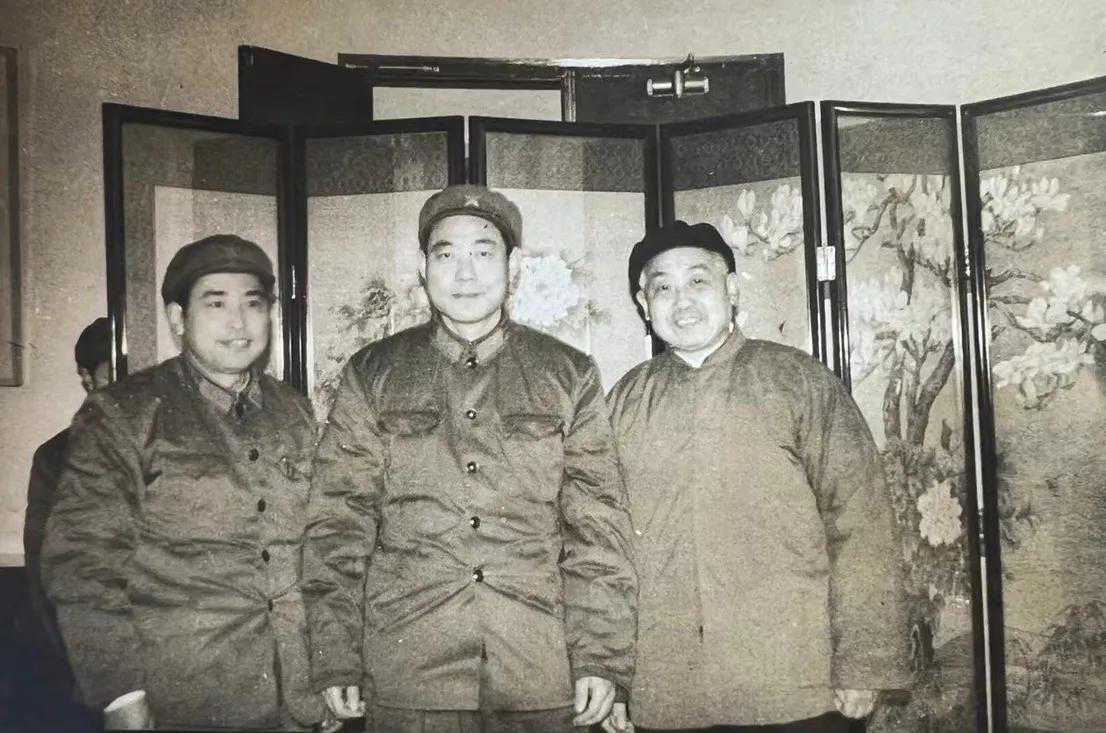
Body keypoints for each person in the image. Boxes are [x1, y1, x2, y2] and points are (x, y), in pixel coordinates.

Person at [302, 184, 638, 733]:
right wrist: (335, 654)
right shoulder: (373, 373)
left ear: (513, 267)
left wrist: (601, 657)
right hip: (410, 669)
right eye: (446, 255)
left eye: (484, 252)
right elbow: (339, 522)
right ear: (423, 268)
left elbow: (597, 528)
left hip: (538, 668)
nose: (465, 273)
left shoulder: (568, 374)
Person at [604, 221, 909, 733]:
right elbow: (601, 548)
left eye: (698, 281)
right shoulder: (625, 402)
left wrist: (863, 663)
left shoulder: (799, 382)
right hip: (668, 689)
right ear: (643, 303)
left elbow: (862, 525)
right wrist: (611, 679)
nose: (682, 301)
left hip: (796, 685)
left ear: (732, 289)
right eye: (663, 287)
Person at [40, 235, 328, 730]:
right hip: (183, 699)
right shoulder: (124, 415)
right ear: (178, 319)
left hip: (297, 699)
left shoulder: (294, 411)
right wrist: (119, 696)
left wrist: (327, 673)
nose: (238, 322)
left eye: (253, 304)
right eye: (216, 304)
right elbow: (82, 563)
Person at [6, 317, 112, 732]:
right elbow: (44, 574)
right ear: (87, 379)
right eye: (112, 376)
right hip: (73, 662)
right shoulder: (56, 458)